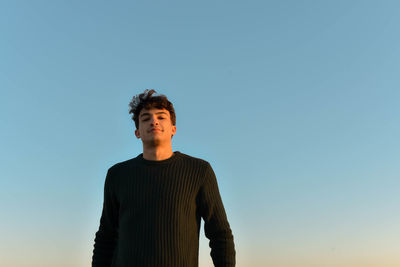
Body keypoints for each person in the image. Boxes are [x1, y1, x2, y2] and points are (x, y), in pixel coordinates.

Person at [92, 89, 236, 267]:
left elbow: (220, 234)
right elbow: (106, 237)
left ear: (173, 129)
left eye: (161, 117)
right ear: (137, 132)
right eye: (145, 118)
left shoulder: (200, 171)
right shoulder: (117, 174)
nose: (153, 121)